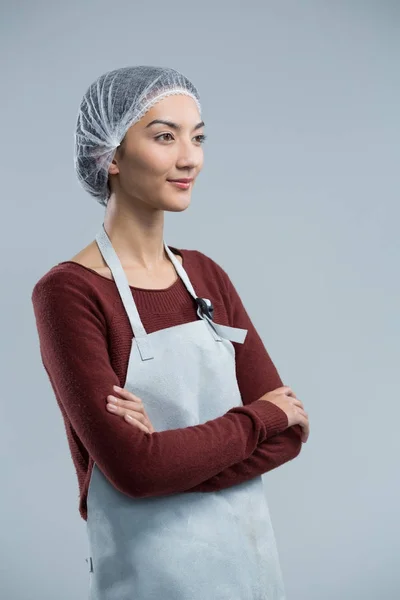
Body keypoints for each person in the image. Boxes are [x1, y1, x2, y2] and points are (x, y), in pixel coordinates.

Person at [31, 65, 310, 600]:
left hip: (251, 568)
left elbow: (289, 436)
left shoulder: (205, 274)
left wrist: (164, 460)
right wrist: (260, 417)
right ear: (109, 155)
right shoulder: (68, 294)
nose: (190, 158)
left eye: (198, 137)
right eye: (165, 137)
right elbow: (135, 469)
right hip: (151, 580)